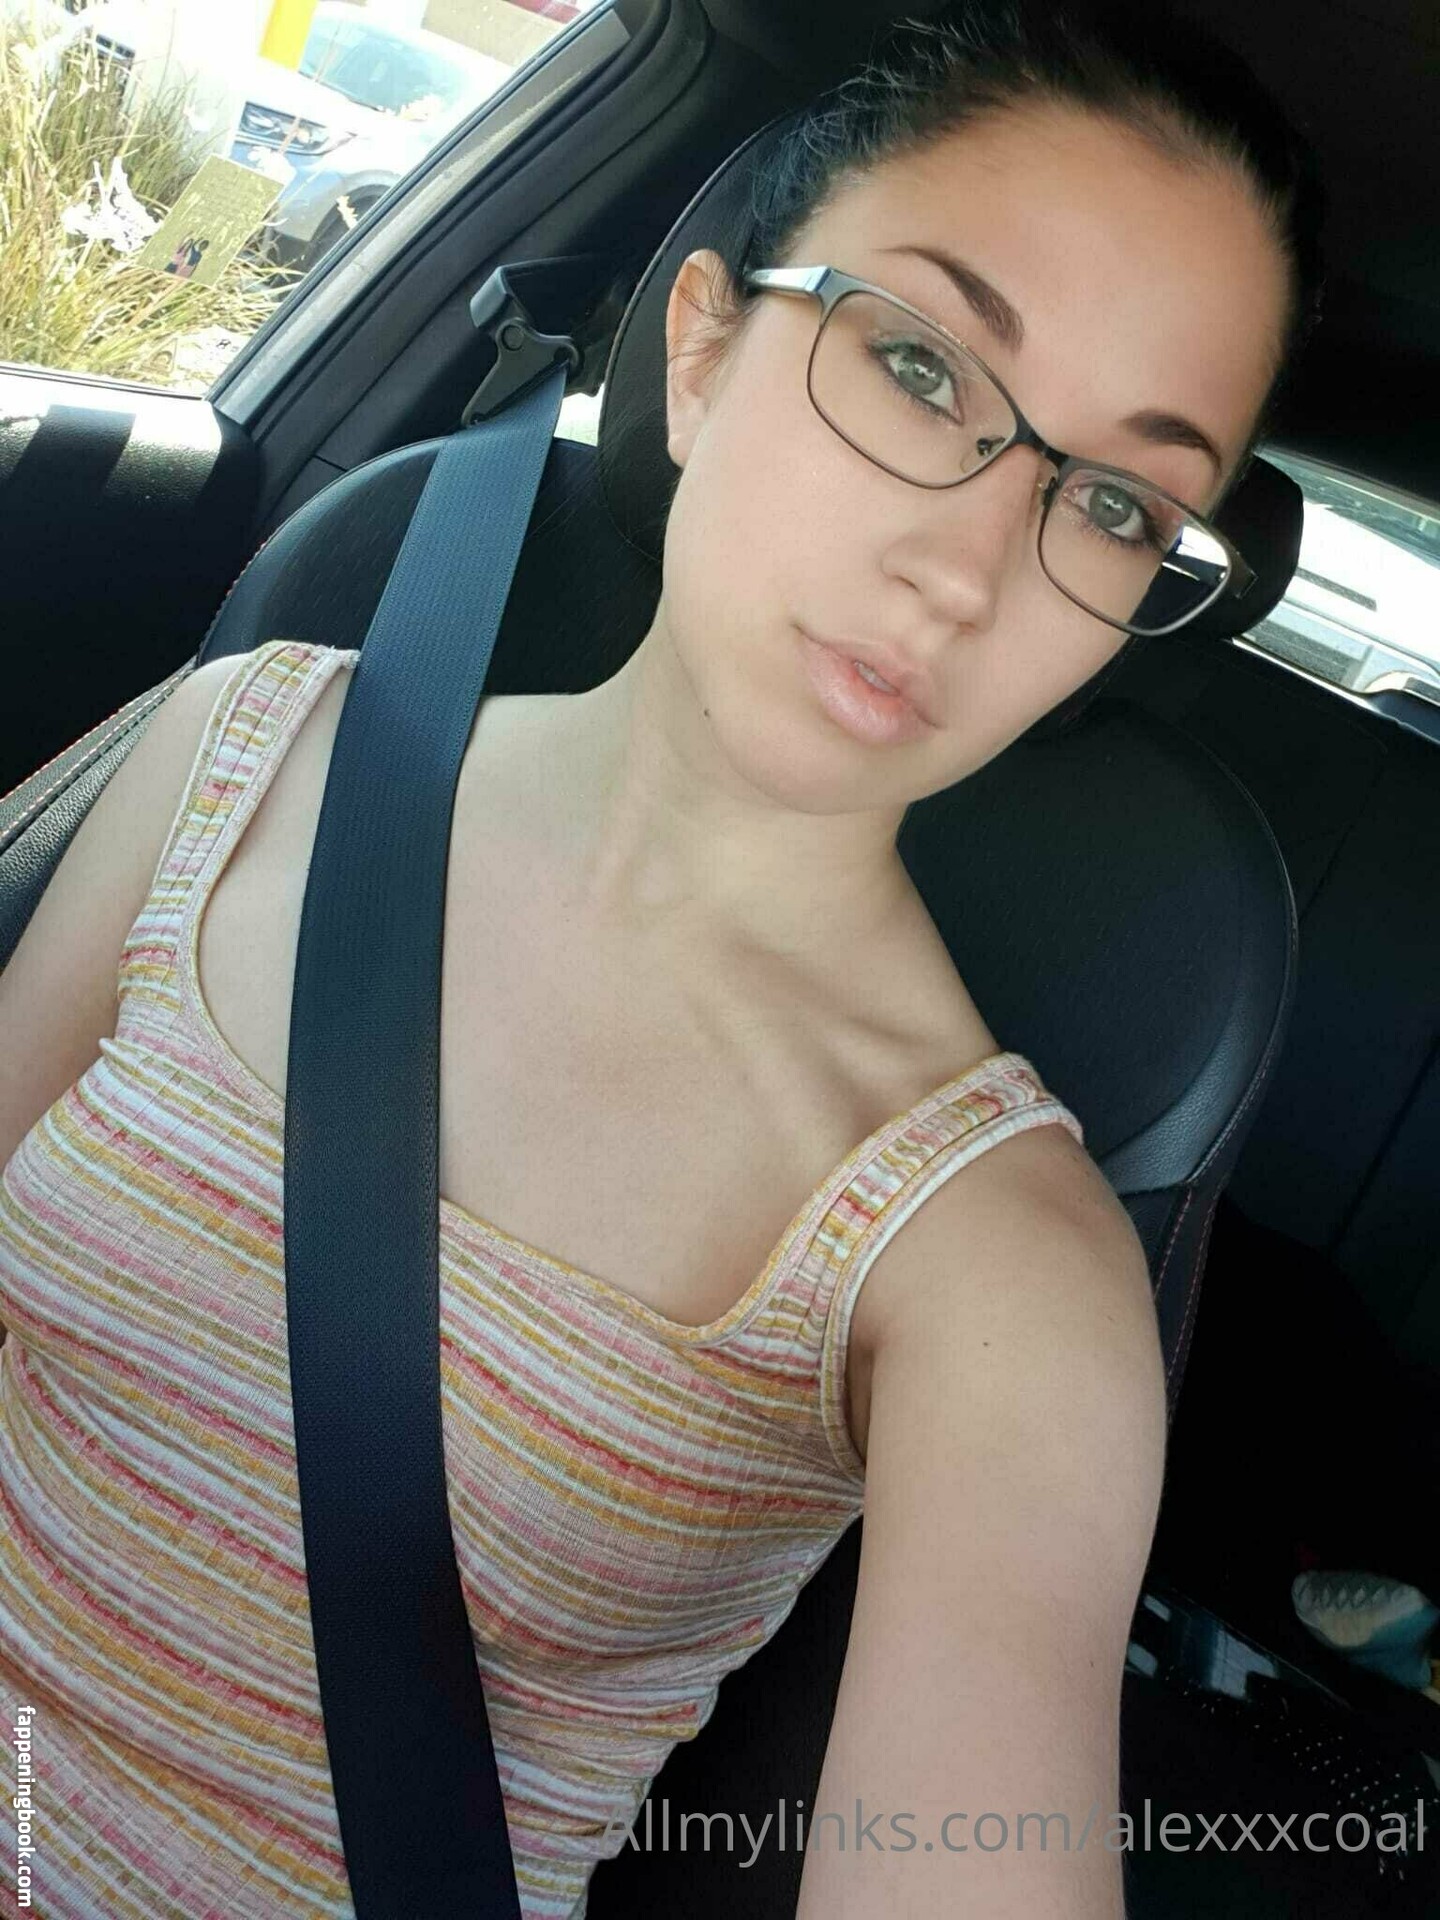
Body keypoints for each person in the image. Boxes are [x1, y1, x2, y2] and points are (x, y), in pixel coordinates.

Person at [0, 2, 1324, 1914]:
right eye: (923, 368)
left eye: (1115, 503)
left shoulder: (994, 1266)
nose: (965, 571)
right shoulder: (249, 745)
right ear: (700, 352)